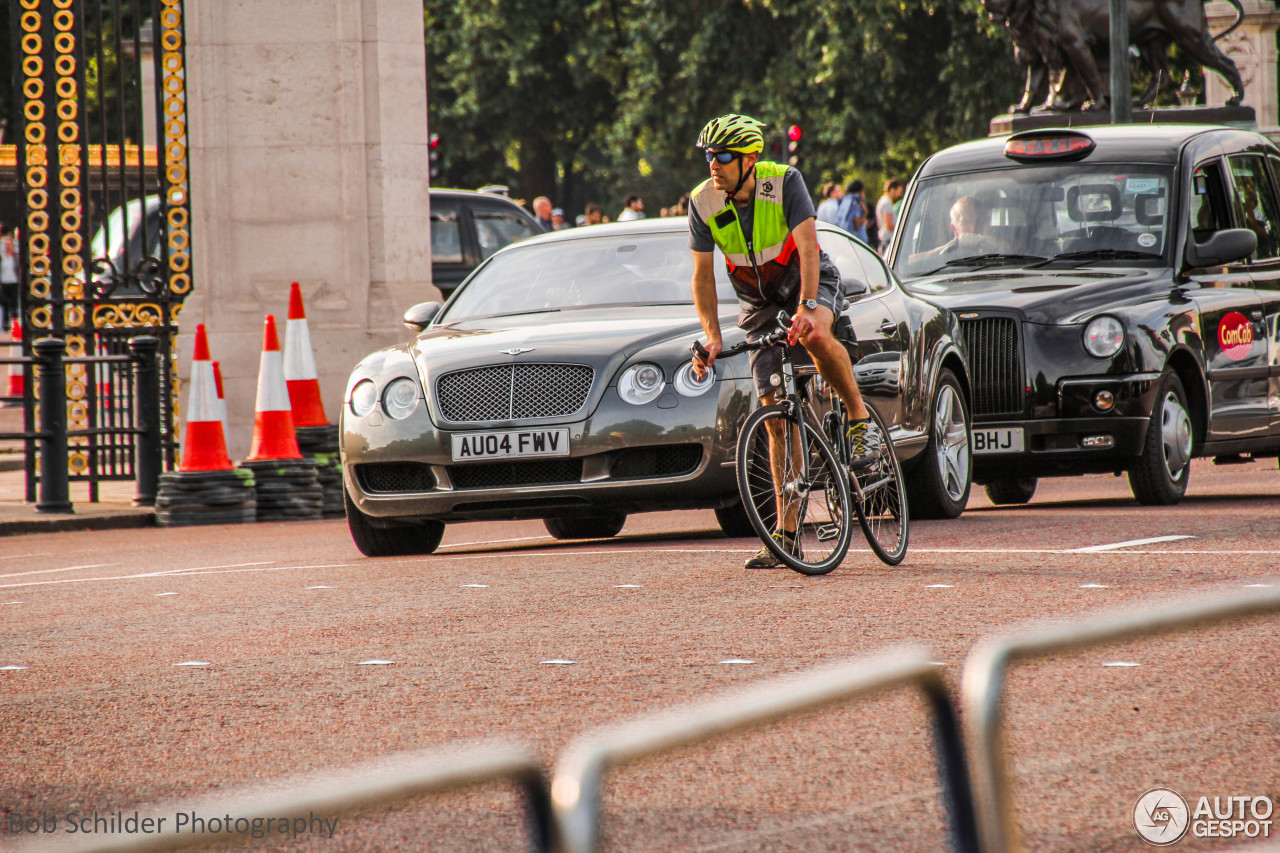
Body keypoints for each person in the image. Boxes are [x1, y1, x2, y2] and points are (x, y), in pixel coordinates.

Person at [687, 114, 882, 569]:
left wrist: (807, 304)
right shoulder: (702, 201)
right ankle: (788, 534)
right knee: (774, 414)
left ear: (750, 159)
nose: (713, 164)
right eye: (708, 156)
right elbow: (701, 275)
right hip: (756, 300)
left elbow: (810, 246)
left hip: (804, 280)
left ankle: (857, 419)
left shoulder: (785, 181)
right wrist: (712, 336)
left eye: (723, 157)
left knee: (813, 332)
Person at [876, 179, 906, 256]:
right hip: (888, 240)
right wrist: (902, 230)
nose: (899, 195)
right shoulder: (886, 203)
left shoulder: (883, 201)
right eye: (899, 192)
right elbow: (888, 224)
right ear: (892, 190)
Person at [0, 226, 17, 329]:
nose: (7, 246)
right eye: (5, 244)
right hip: (4, 282)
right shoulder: (2, 257)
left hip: (14, 282)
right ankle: (6, 324)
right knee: (4, 303)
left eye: (9, 244)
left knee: (14, 304)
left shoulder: (15, 257)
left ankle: (15, 324)